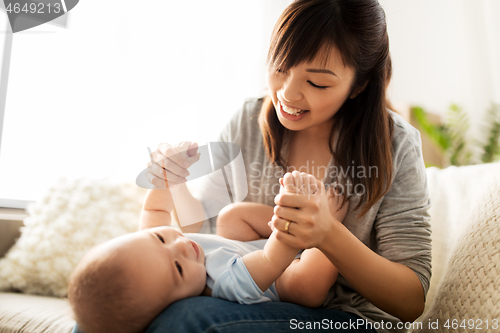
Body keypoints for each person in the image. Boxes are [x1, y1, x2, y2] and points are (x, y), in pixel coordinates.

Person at [73, 0, 431, 332]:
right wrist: (172, 183)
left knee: (185, 319)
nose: (287, 94)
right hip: (252, 291)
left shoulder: (395, 144)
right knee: (103, 313)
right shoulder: (248, 120)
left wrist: (327, 235)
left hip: (346, 318)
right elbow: (204, 235)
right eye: (279, 67)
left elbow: (410, 301)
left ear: (359, 85)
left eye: (317, 82)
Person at [67, 171, 343, 333]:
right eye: (177, 268)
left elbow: (155, 210)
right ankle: (330, 223)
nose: (180, 246)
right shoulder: (226, 285)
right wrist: (295, 214)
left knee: (232, 216)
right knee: (304, 286)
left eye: (161, 238)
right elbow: (274, 257)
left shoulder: (152, 250)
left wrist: (167, 176)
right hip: (280, 271)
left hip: (248, 247)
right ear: (174, 304)